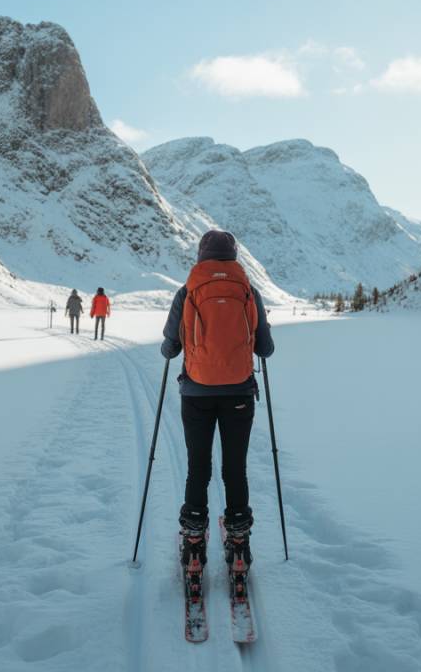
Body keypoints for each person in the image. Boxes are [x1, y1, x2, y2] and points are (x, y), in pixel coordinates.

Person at [161, 230, 275, 581]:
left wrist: (177, 348)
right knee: (235, 467)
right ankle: (238, 544)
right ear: (235, 257)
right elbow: (266, 349)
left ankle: (194, 543)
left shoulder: (187, 292)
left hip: (196, 394)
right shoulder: (248, 292)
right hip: (239, 394)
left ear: (201, 257)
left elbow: (170, 347)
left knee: (198, 466)